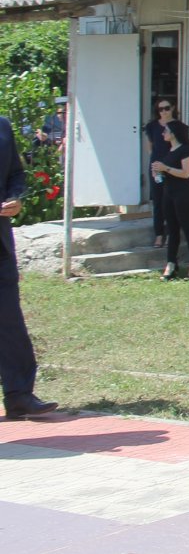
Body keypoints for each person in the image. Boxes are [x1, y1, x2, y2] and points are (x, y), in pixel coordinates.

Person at [1, 113, 57, 420]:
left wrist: (15, 199)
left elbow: (15, 174)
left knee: (9, 321)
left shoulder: (3, 127)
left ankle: (19, 394)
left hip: (0, 242)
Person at [152, 120, 189, 280]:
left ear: (174, 133)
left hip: (183, 192)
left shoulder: (186, 150)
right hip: (168, 191)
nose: (163, 133)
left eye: (166, 130)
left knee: (187, 227)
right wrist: (158, 174)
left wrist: (166, 168)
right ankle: (171, 264)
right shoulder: (169, 150)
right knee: (171, 230)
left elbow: (186, 173)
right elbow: (166, 175)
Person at [145, 100, 175, 248]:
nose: (163, 111)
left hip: (172, 167)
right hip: (157, 167)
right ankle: (159, 235)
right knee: (158, 200)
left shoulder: (177, 126)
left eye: (166, 108)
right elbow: (150, 147)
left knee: (170, 200)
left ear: (172, 108)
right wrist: (154, 163)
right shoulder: (152, 126)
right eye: (160, 109)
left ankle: (171, 233)